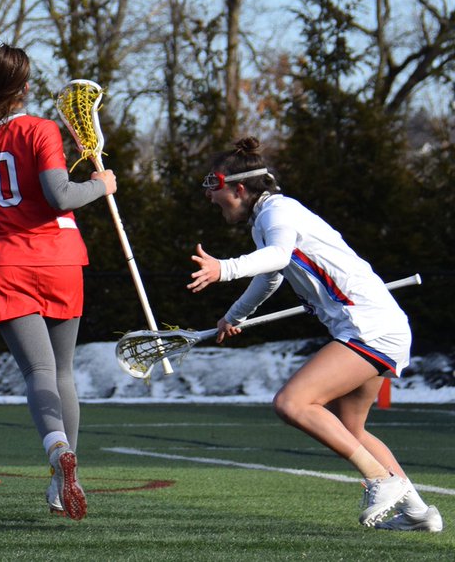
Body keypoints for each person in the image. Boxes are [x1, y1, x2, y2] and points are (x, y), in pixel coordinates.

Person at [188, 136, 442, 532]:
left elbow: (277, 258)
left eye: (214, 190)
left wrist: (225, 268)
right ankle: (419, 513)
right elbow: (270, 276)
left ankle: (380, 479)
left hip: (367, 327)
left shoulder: (278, 212)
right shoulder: (267, 222)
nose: (210, 198)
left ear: (238, 188)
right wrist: (233, 315)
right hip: (375, 326)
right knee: (351, 428)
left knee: (292, 403)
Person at [0, 44, 116, 521]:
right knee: (62, 373)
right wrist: (103, 185)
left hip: (3, 262)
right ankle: (66, 477)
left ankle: (56, 450)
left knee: (38, 373)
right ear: (24, 88)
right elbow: (59, 195)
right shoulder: (41, 129)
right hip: (59, 259)